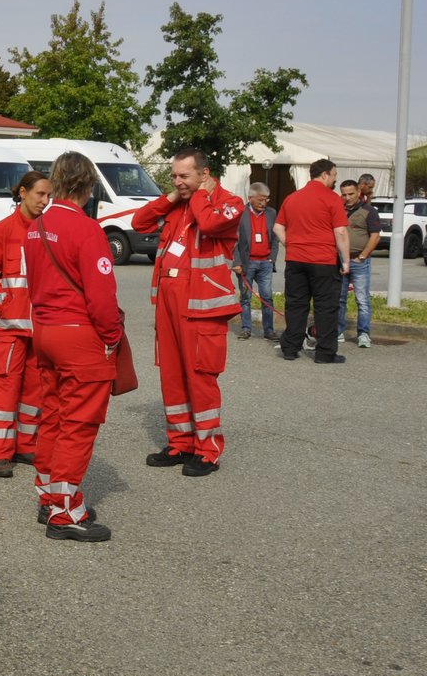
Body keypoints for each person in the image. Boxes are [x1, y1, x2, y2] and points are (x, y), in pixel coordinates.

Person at [23, 152, 122, 542]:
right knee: (79, 423)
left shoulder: (36, 226)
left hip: (45, 330)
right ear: (88, 185)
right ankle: (65, 513)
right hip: (78, 335)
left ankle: (49, 497)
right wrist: (112, 336)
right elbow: (101, 298)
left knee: (53, 415)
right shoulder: (87, 229)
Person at [131, 148, 242, 476]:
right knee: (173, 375)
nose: (178, 181)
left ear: (204, 175)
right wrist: (171, 197)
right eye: (174, 176)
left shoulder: (228, 202)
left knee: (200, 377)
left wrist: (198, 197)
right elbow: (139, 223)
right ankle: (181, 442)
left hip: (202, 306)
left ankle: (207, 450)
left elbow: (208, 223)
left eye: (184, 176)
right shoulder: (179, 201)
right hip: (169, 305)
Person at [0, 171, 50, 477]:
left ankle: (26, 445)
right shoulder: (1, 231)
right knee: (6, 393)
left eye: (49, 195)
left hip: (42, 329)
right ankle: (1, 454)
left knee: (35, 393)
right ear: (22, 192)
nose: (45, 201)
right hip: (10, 330)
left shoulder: (50, 231)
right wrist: (6, 305)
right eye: (40, 194)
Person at [275, 158, 350, 365]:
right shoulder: (332, 199)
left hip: (295, 260)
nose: (335, 179)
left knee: (296, 304)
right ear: (324, 174)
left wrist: (291, 245)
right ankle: (325, 353)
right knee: (325, 307)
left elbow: (278, 228)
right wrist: (345, 261)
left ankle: (290, 348)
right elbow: (341, 232)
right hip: (323, 260)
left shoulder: (292, 198)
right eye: (334, 175)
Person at [337, 178, 381, 349]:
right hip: (340, 260)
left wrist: (362, 256)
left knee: (362, 299)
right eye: (344, 194)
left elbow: (375, 236)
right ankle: (338, 331)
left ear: (358, 193)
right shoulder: (338, 210)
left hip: (359, 261)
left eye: (351, 194)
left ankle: (363, 333)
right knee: (339, 298)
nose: (347, 198)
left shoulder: (368, 211)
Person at [233, 182, 278, 341]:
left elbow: (275, 238)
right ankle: (246, 328)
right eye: (260, 200)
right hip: (247, 263)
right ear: (250, 198)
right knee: (245, 297)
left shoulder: (271, 213)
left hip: (265, 262)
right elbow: (234, 242)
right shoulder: (240, 214)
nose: (263, 203)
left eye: (266, 199)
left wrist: (272, 258)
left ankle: (269, 330)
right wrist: (236, 262)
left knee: (267, 297)